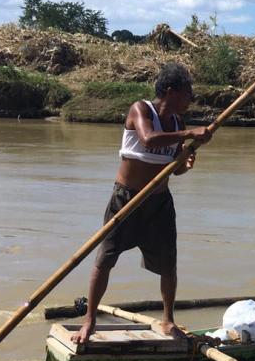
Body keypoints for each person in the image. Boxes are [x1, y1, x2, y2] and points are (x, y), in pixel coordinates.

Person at [72, 63, 212, 344]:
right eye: (187, 93)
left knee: (168, 264)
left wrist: (186, 162)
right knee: (105, 259)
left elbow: (174, 169)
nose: (190, 99)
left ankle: (168, 319)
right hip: (127, 199)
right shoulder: (141, 110)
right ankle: (89, 320)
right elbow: (148, 140)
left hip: (158, 204)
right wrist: (189, 135)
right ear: (171, 92)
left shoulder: (177, 124)